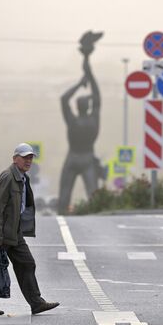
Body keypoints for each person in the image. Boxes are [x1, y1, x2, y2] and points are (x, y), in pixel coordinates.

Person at [0, 143, 59, 316]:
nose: (29, 161)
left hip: (14, 231)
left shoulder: (23, 177)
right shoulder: (7, 177)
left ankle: (36, 303)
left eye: (31, 158)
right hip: (2, 232)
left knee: (27, 263)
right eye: (25, 157)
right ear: (15, 159)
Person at [58, 37, 102, 214]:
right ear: (89, 106)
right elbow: (97, 94)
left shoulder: (73, 121)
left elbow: (63, 98)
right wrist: (89, 73)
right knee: (93, 195)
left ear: (77, 107)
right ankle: (96, 212)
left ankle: (61, 215)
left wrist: (79, 83)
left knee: (64, 196)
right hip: (87, 159)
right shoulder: (94, 119)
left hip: (73, 158)